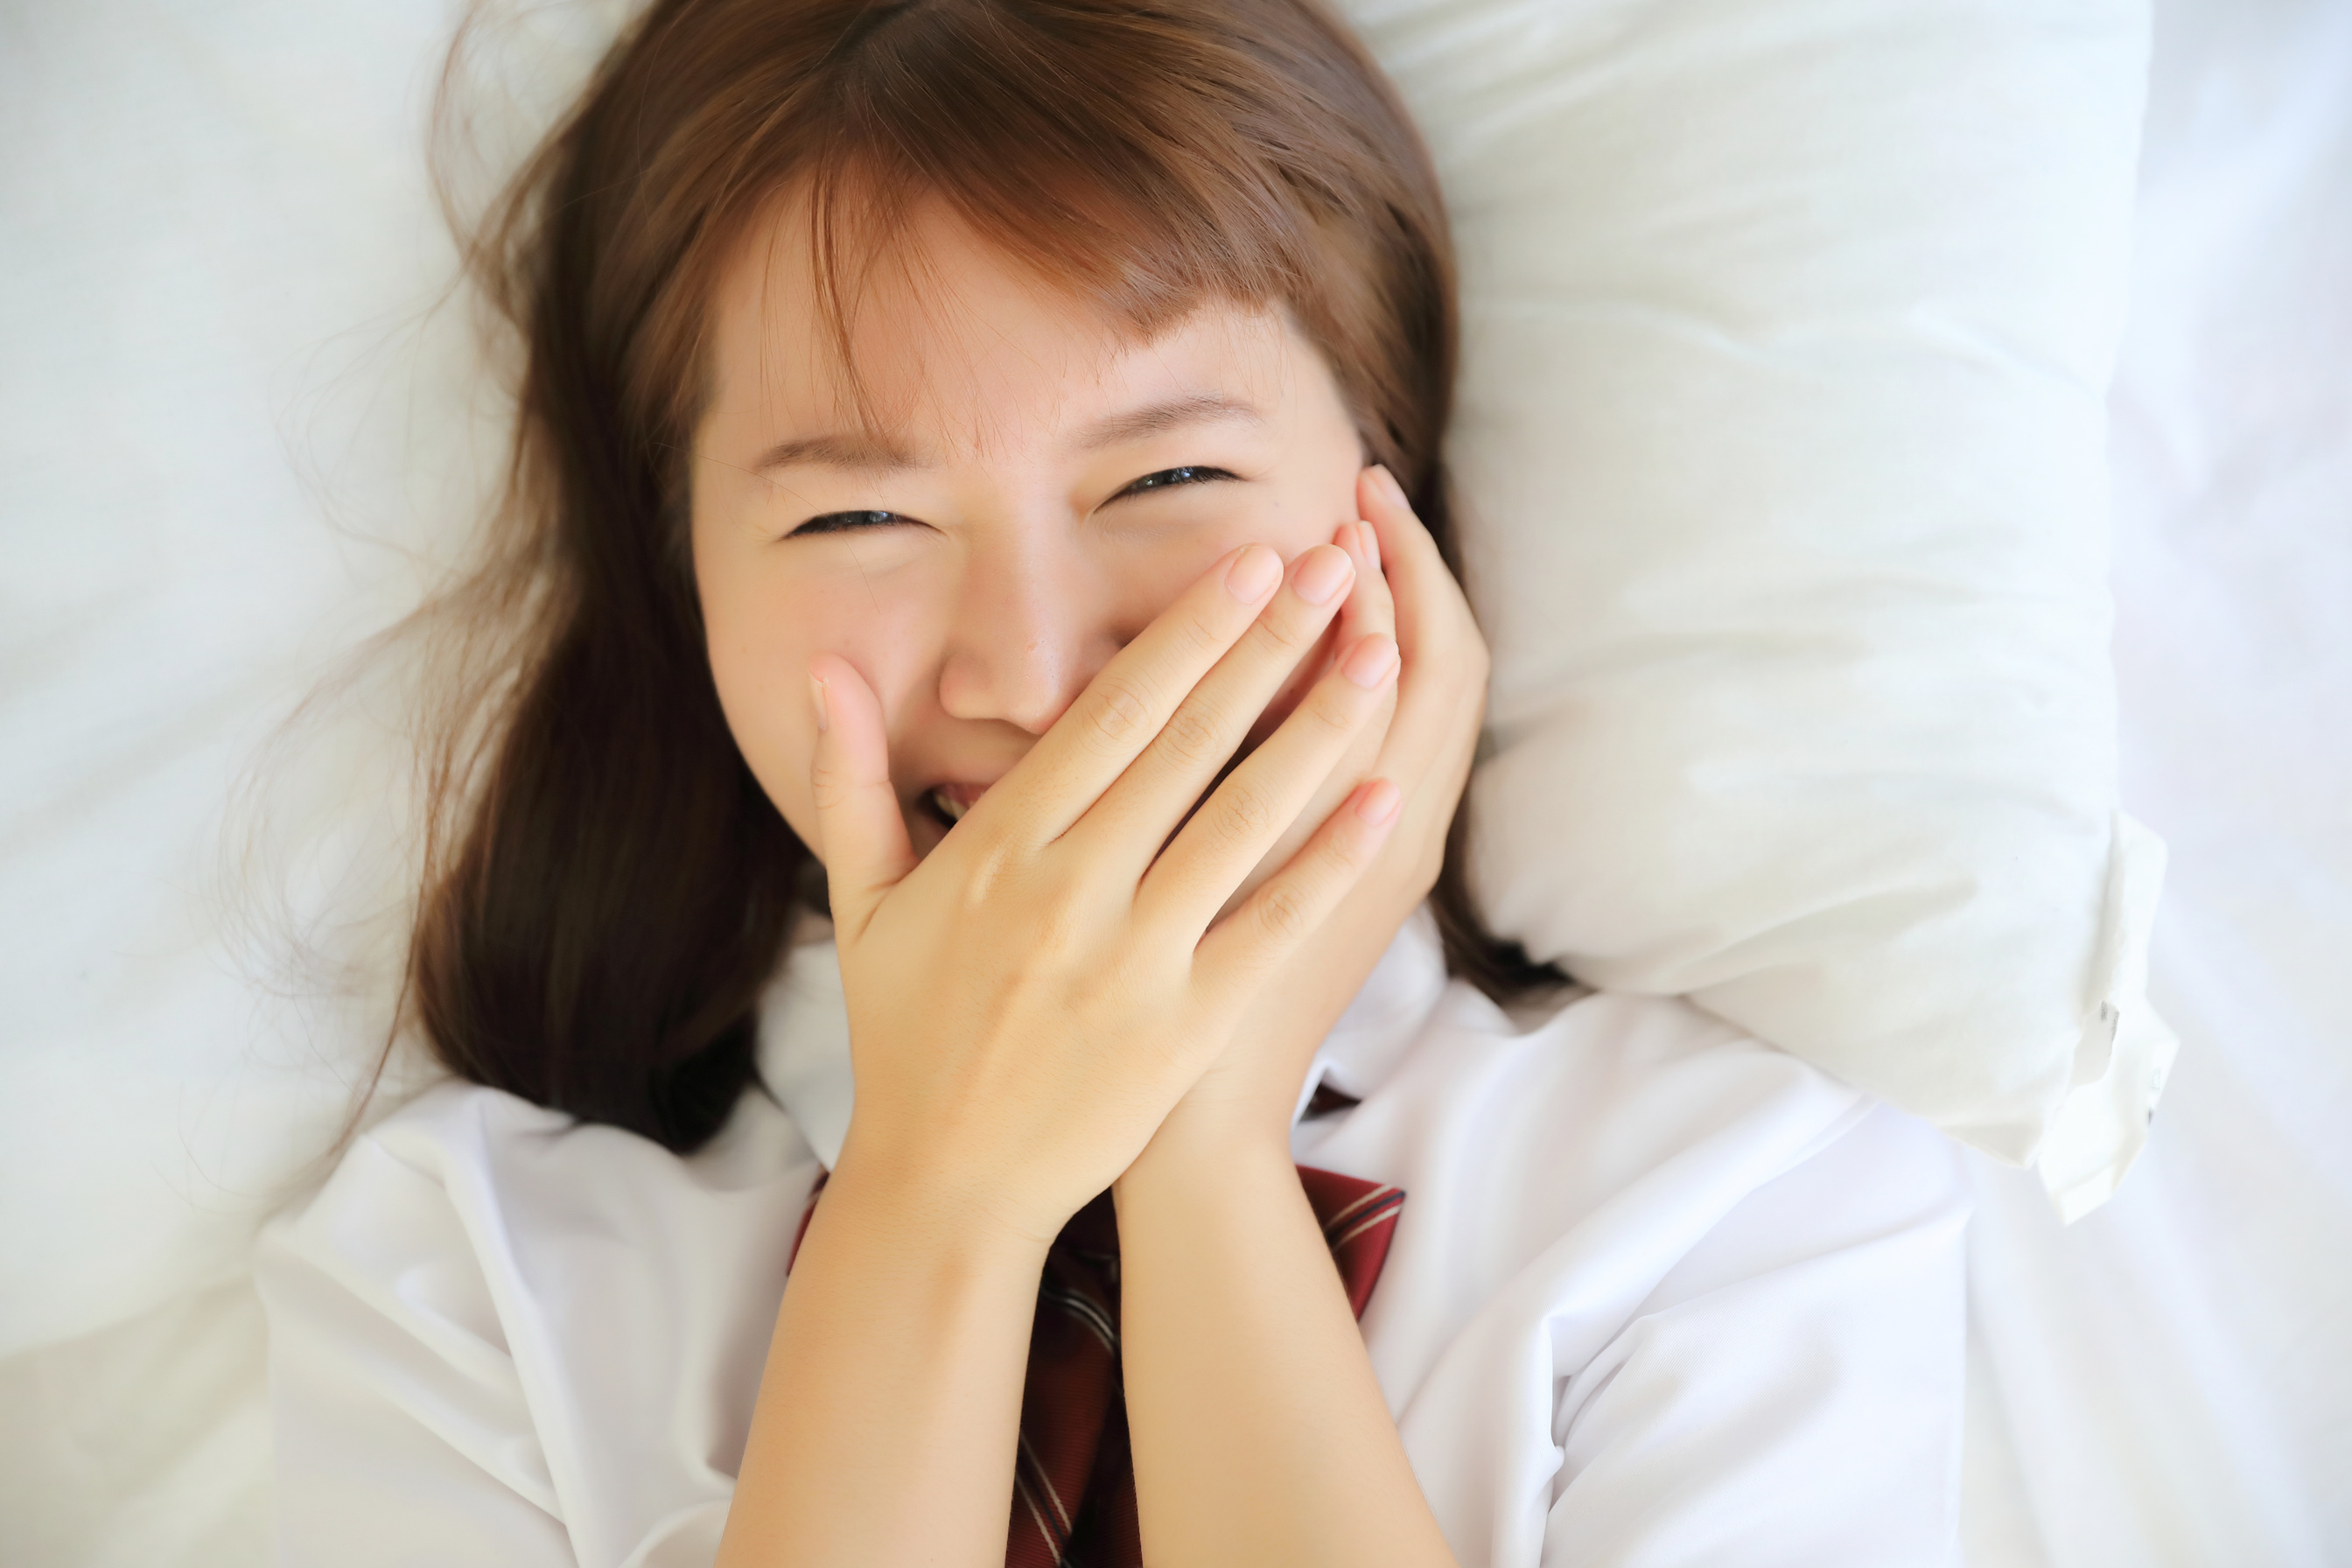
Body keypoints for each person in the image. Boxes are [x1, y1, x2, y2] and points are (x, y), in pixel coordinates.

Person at [256, 0, 1970, 1563]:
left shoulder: (1742, 1208)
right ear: (685, 568)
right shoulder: (455, 1289)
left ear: (1391, 499)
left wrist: (1204, 1149)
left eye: (1169, 473)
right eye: (859, 515)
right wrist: (941, 1190)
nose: (1037, 674)